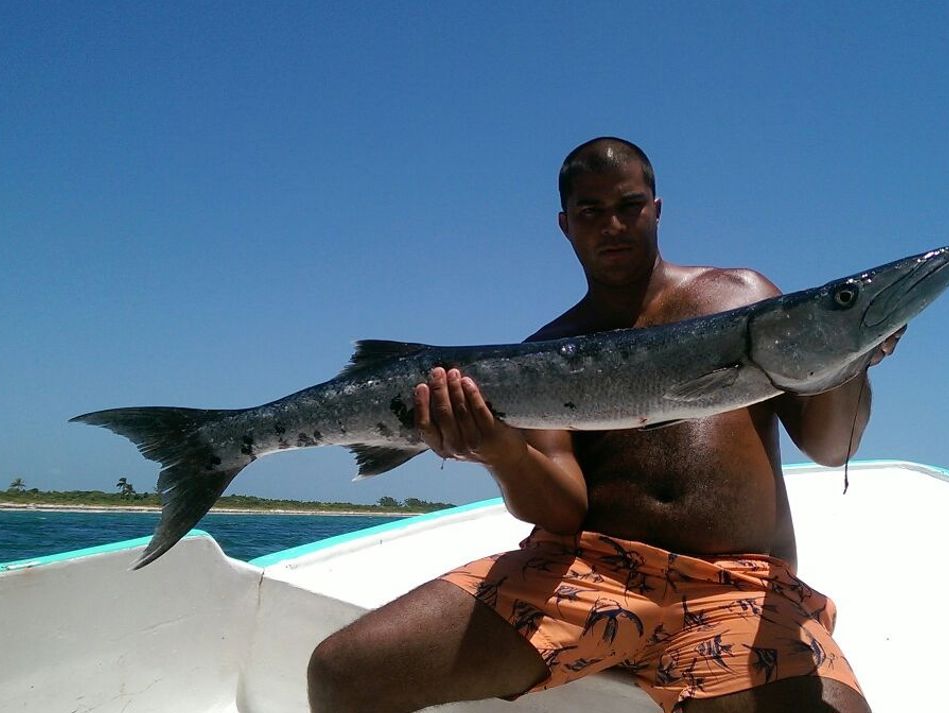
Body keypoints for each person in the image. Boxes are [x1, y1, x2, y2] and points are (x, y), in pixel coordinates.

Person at [307, 138, 900, 712]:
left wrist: (852, 354)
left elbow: (830, 446)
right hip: (583, 571)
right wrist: (500, 452)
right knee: (342, 675)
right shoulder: (547, 350)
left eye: (628, 206)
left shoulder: (740, 296)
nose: (612, 225)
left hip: (735, 585)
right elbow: (562, 508)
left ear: (657, 210)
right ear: (565, 224)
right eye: (591, 212)